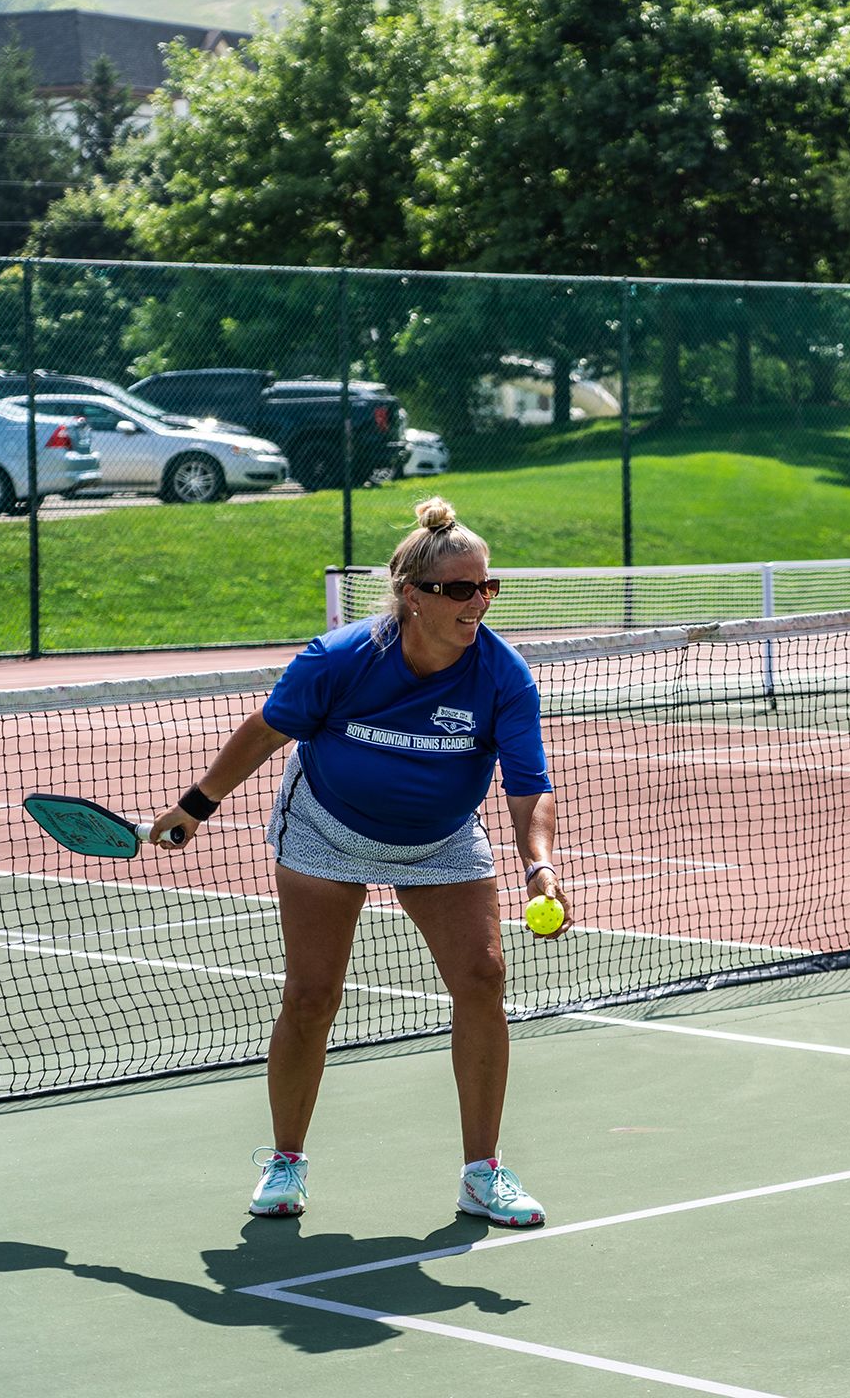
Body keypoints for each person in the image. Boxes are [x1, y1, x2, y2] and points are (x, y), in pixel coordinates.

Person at [152, 497, 566, 1224]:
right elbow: (267, 730)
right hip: (325, 830)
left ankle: (482, 1174)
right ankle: (284, 1163)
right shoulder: (341, 660)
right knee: (312, 996)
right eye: (462, 589)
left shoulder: (503, 675)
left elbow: (529, 787)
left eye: (489, 586)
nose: (480, 603)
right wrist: (196, 805)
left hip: (439, 839)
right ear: (414, 595)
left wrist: (539, 866)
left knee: (483, 977)